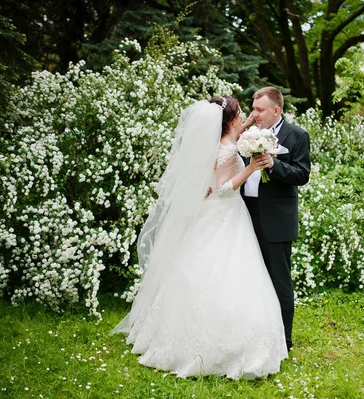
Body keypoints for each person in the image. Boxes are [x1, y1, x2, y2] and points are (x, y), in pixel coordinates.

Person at [111, 97, 288, 379]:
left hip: (213, 215)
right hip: (225, 213)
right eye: (242, 114)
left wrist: (251, 126)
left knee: (196, 269)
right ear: (230, 121)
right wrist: (251, 168)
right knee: (227, 274)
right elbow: (224, 188)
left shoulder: (222, 142)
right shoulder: (228, 152)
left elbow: (232, 143)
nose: (246, 117)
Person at [242, 87, 311, 351]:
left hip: (277, 217)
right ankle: (256, 334)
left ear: (276, 110)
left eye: (259, 109)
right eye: (253, 108)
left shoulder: (297, 135)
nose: (255, 113)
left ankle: (284, 340)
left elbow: (302, 175)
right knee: (251, 276)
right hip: (245, 214)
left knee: (279, 280)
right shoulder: (248, 134)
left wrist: (274, 165)